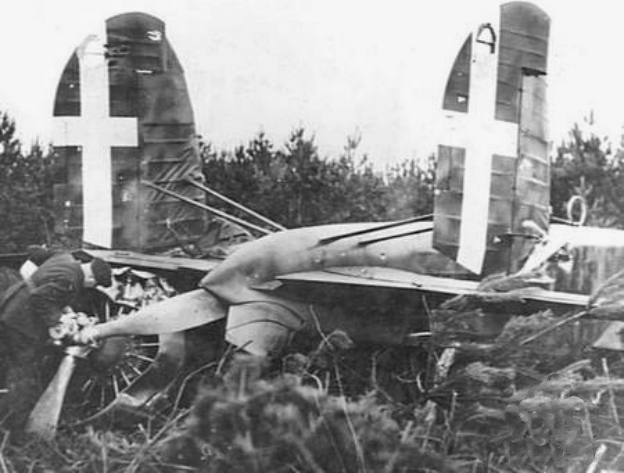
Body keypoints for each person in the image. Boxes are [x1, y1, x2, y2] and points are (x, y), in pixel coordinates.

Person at [0, 252, 112, 431]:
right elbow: (40, 297)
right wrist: (59, 321)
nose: (90, 287)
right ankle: (12, 426)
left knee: (8, 362)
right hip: (22, 323)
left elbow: (37, 256)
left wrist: (67, 313)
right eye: (93, 285)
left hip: (11, 308)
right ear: (91, 277)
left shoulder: (66, 258)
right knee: (23, 372)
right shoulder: (70, 280)